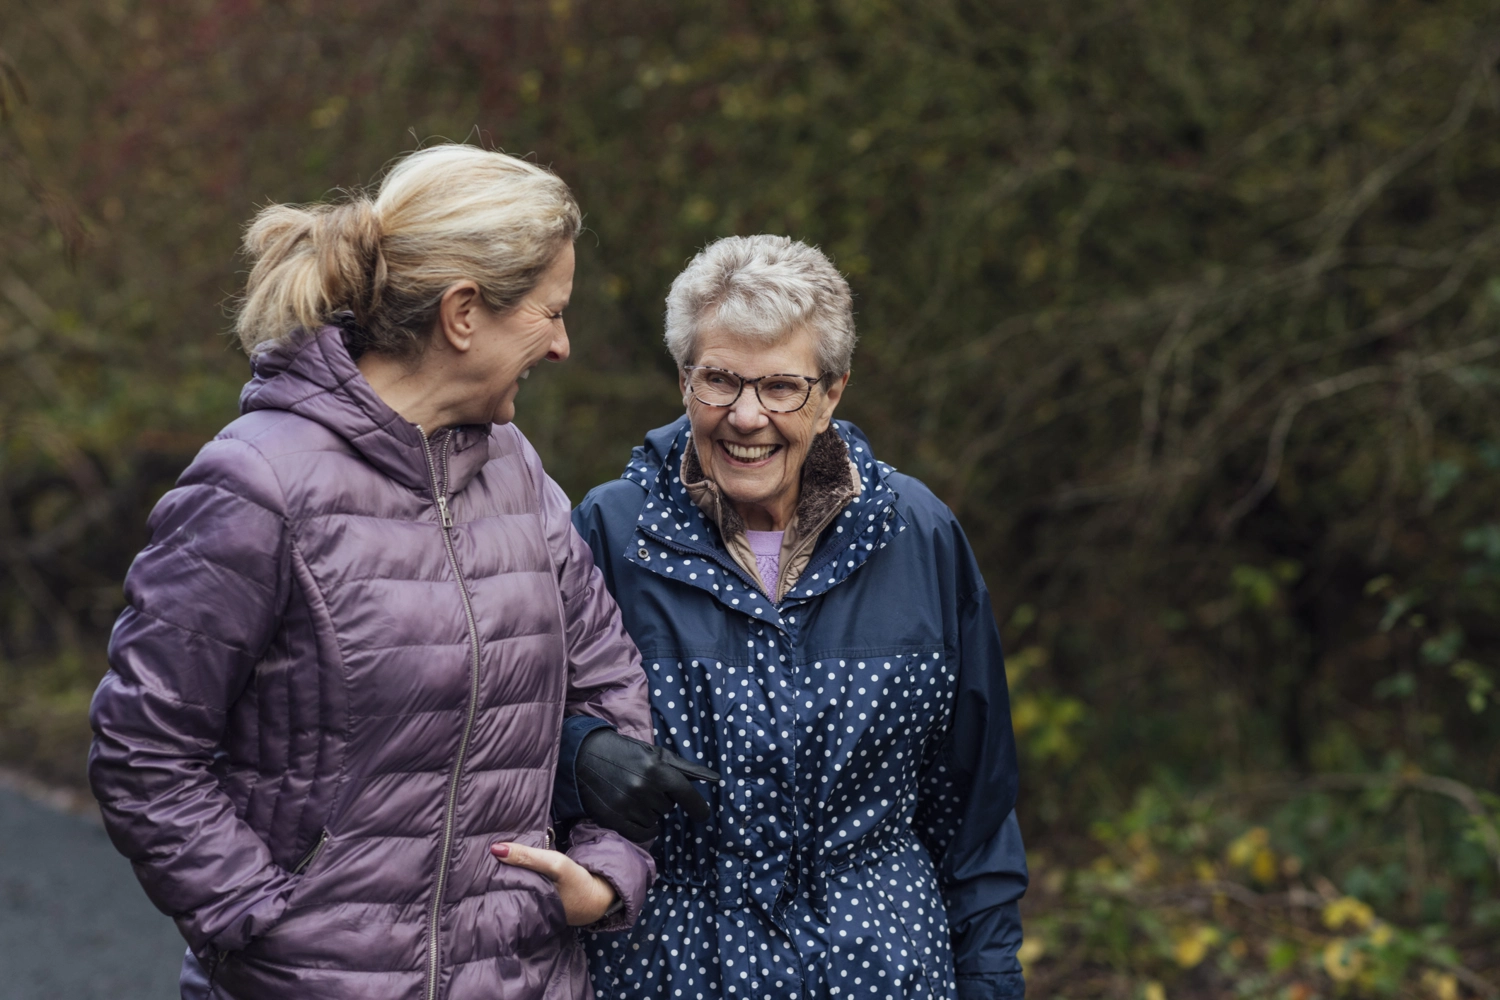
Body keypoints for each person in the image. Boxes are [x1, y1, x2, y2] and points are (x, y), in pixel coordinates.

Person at [88, 144, 687, 1000]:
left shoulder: (519, 474)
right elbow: (144, 752)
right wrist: (262, 925)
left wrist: (605, 870)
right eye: (550, 313)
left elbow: (609, 692)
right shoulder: (258, 484)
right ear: (464, 313)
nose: (562, 345)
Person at [567, 235, 1029, 1000]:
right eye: (719, 380)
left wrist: (989, 982)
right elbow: (507, 736)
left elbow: (974, 810)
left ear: (833, 392)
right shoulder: (609, 533)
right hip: (669, 969)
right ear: (684, 380)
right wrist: (580, 753)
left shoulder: (920, 534)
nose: (746, 417)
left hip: (884, 971)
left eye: (781, 386)